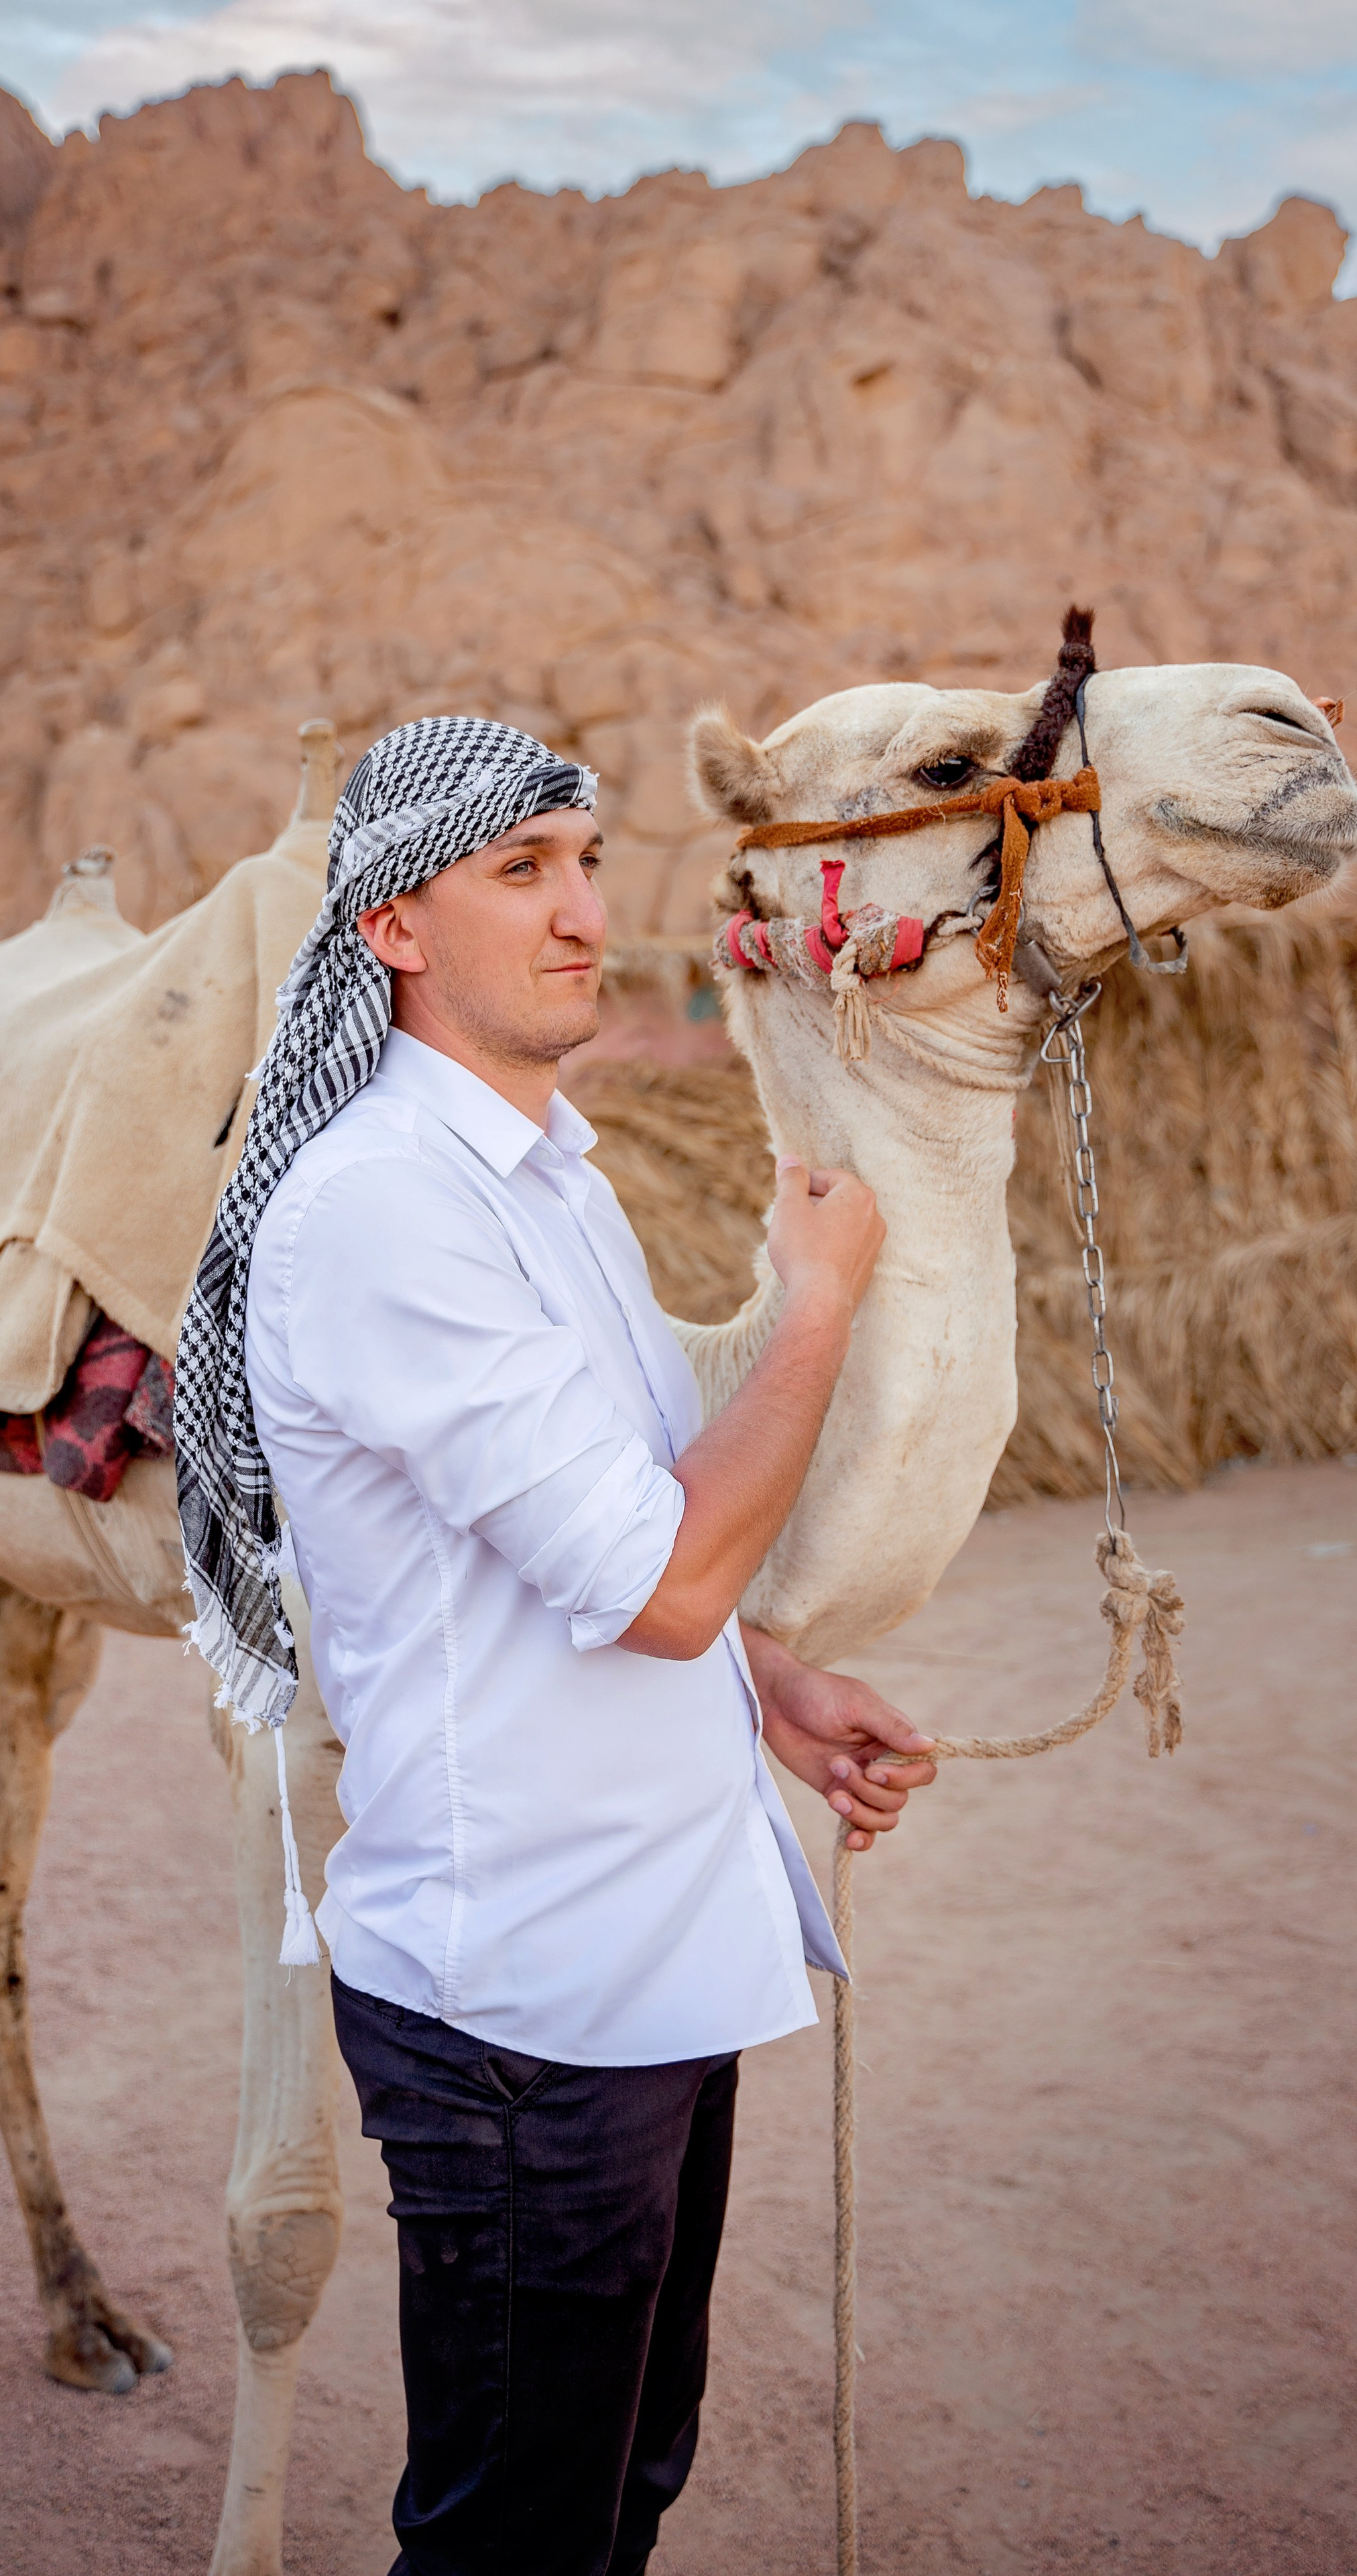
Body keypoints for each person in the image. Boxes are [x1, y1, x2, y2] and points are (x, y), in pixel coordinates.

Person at [175, 718, 937, 2576]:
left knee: (621, 2499)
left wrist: (769, 1686)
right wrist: (817, 1310)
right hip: (522, 2012)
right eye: (523, 871)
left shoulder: (549, 1174)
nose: (589, 911)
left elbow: (612, 1541)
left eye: (589, 860)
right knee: (514, 2541)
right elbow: (656, 1580)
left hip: (657, 1966)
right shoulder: (379, 1211)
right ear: (393, 928)